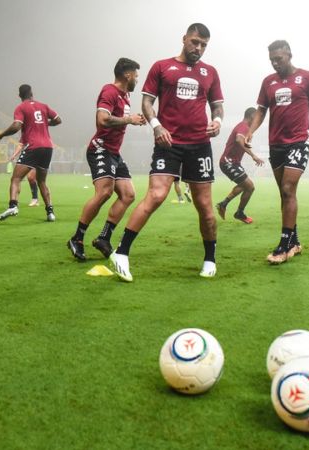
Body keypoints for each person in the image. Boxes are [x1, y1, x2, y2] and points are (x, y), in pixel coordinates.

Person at [110, 23, 224, 281]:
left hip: (199, 145)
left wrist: (217, 122)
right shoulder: (162, 67)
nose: (198, 48)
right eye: (195, 42)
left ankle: (209, 258)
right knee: (157, 194)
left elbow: (217, 106)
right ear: (184, 38)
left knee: (205, 206)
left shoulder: (211, 72)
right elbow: (147, 102)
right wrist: (156, 126)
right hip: (168, 142)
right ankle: (122, 252)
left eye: (204, 45)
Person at [243, 40, 309, 265]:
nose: (275, 63)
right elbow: (261, 110)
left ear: (289, 55)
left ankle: (284, 246)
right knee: (285, 194)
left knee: (287, 188)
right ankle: (295, 241)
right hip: (277, 144)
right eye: (272, 60)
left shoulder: (307, 78)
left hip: (299, 141)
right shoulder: (268, 82)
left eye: (279, 59)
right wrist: (250, 131)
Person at [67, 57, 146, 261]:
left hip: (114, 153)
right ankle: (77, 238)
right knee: (104, 192)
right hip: (100, 149)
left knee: (128, 194)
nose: (137, 79)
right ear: (127, 74)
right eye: (136, 76)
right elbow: (102, 120)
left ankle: (104, 238)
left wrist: (133, 119)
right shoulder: (109, 91)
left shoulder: (125, 95)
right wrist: (130, 120)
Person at [0, 84, 61, 222]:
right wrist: (44, 123)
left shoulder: (21, 107)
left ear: (19, 96)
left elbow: (16, 126)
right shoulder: (43, 106)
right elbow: (58, 120)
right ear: (32, 93)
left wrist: (2, 134)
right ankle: (50, 212)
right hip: (48, 147)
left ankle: (13, 205)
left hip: (33, 146)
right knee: (42, 181)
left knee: (16, 178)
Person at [216, 107, 265, 224]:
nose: (258, 119)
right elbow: (239, 140)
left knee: (245, 185)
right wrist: (253, 155)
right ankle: (239, 212)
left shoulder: (245, 128)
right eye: (257, 116)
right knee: (250, 187)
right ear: (252, 116)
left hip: (233, 162)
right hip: (228, 162)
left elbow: (242, 142)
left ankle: (223, 204)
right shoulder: (243, 126)